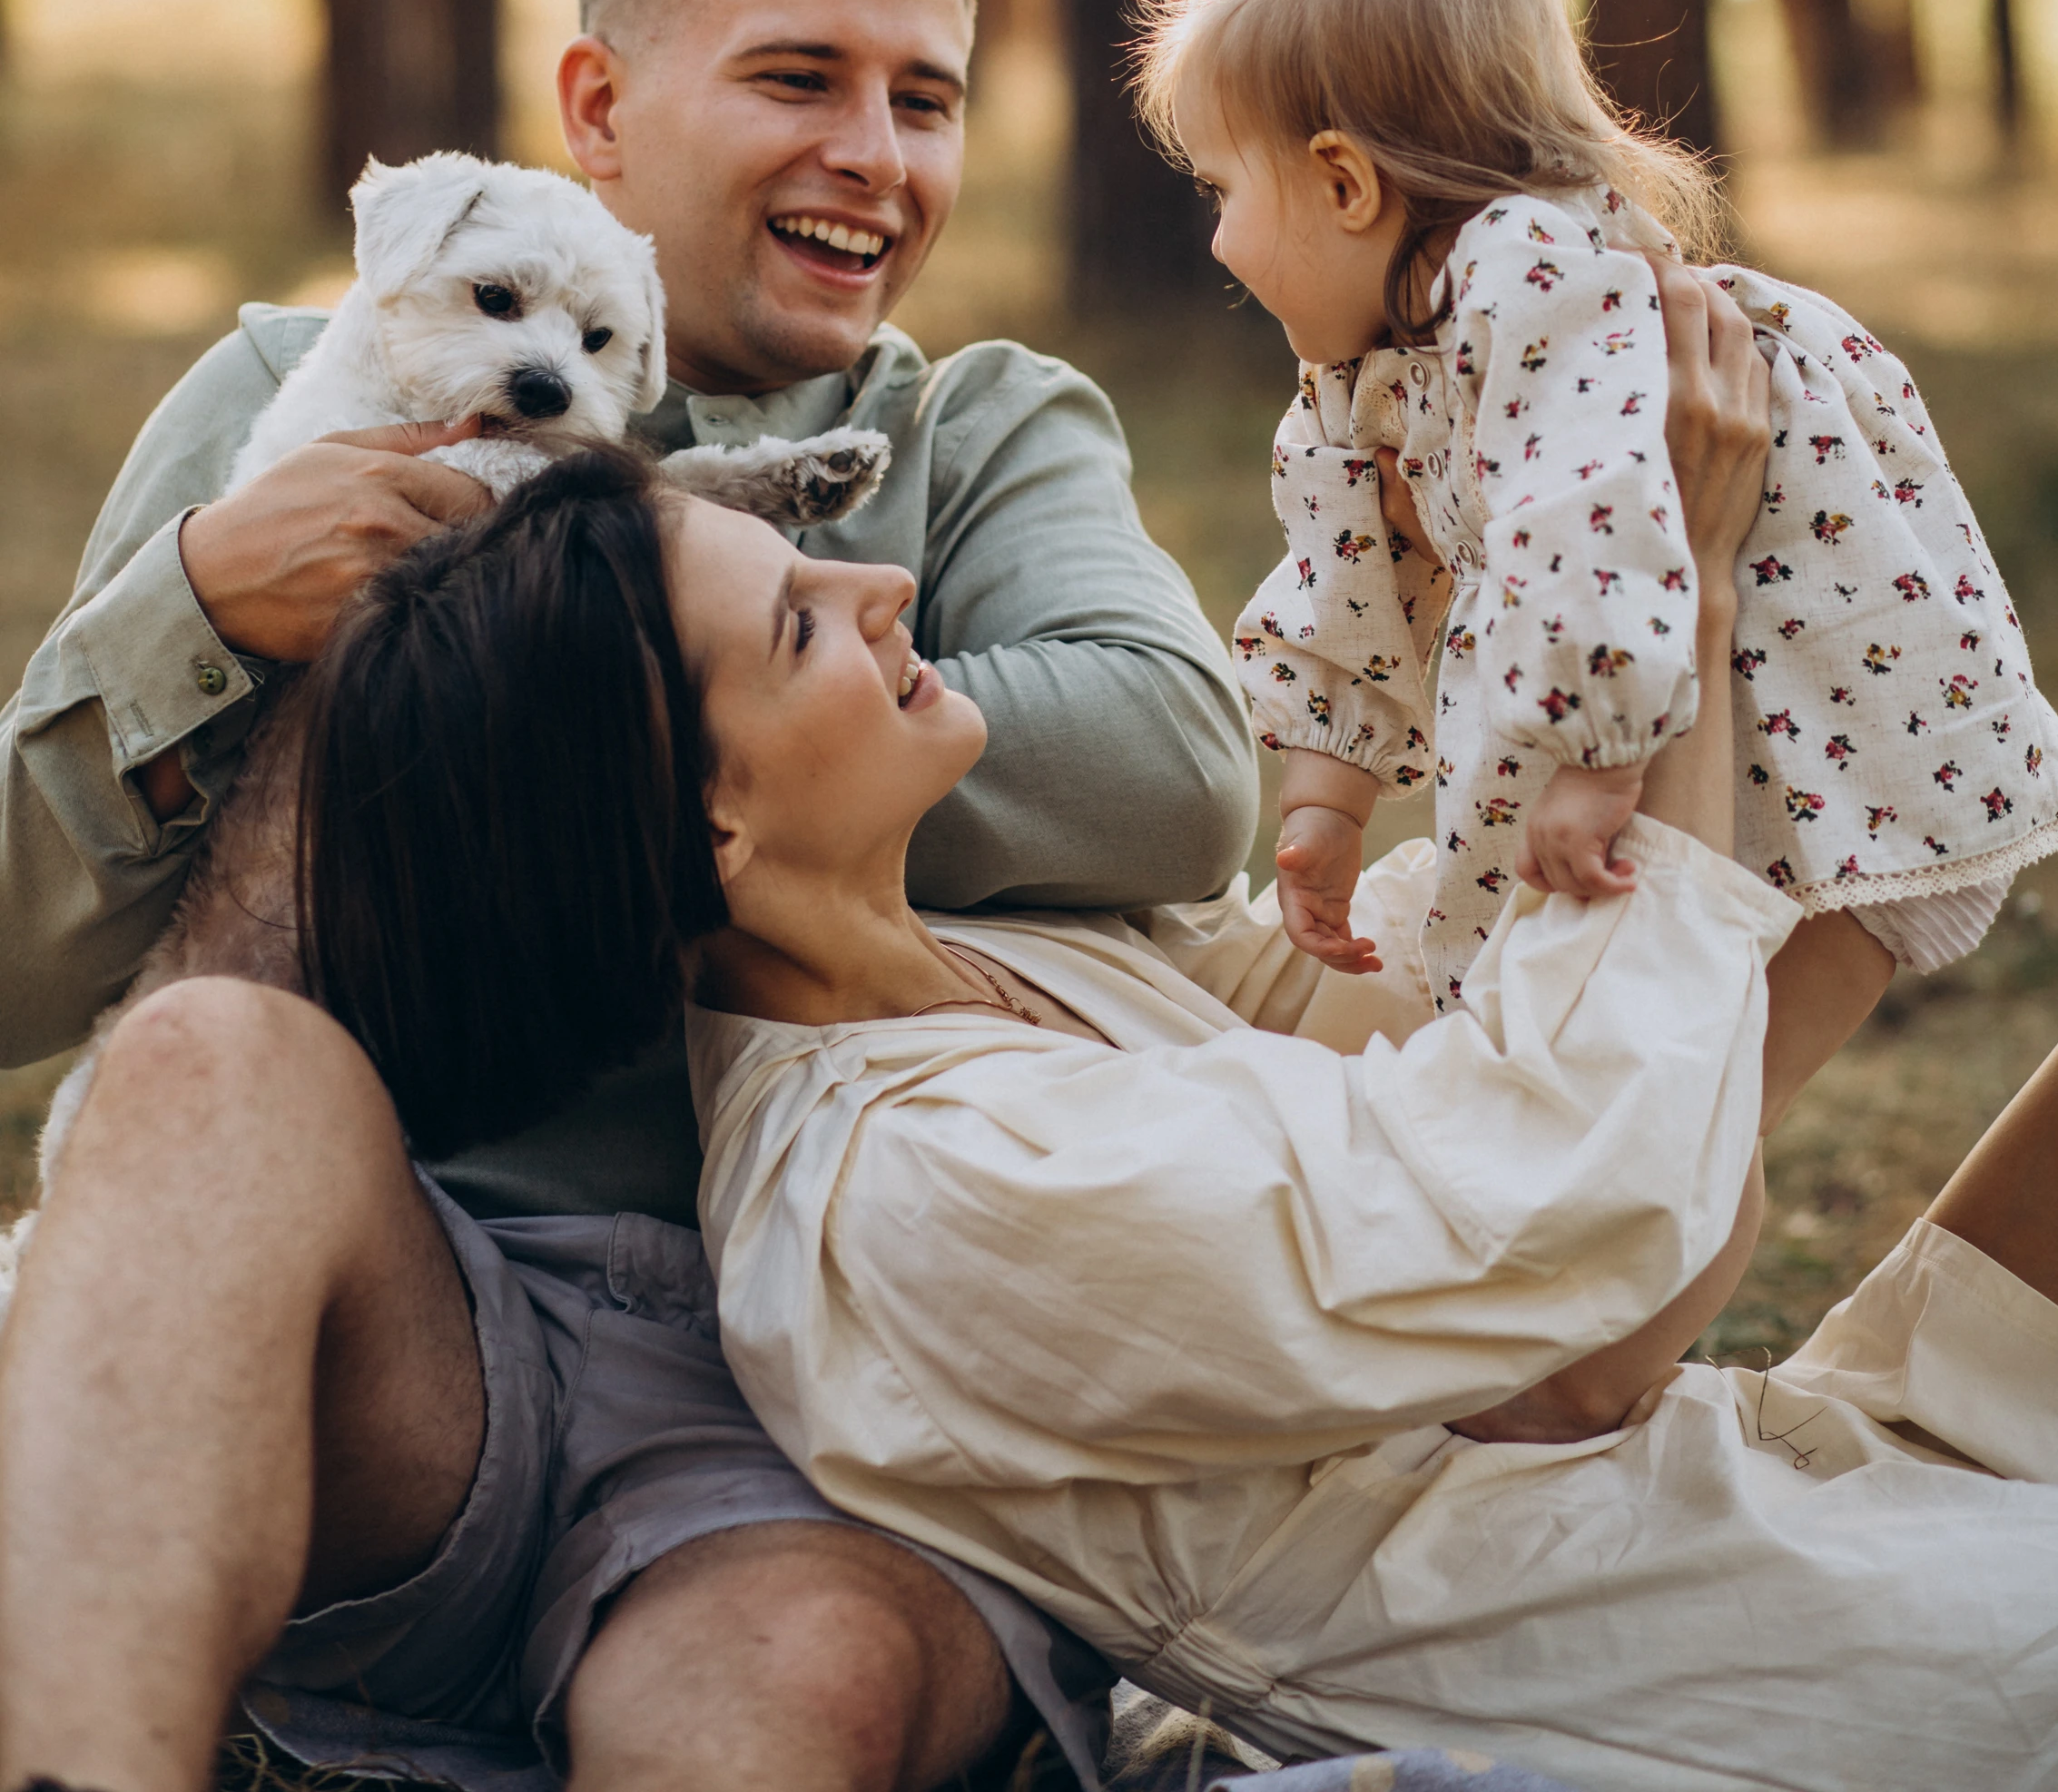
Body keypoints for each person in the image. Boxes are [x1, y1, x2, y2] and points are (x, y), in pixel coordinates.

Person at [277, 277, 2058, 1792]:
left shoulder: (1003, 958)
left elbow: (1472, 999)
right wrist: (1676, 605)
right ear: (711, 821)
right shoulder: (913, 1196)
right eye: (797, 625)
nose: (884, 594)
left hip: (1778, 1463)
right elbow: (1566, 1271)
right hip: (1746, 1659)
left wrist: (1540, 563)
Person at [0, 0, 1257, 1792]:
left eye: (922, 97)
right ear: (598, 103)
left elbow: (1170, 766)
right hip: (392, 1317)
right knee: (200, 1069)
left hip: (815, 1400)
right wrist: (201, 613)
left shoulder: (977, 430)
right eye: (798, 77)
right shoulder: (290, 397)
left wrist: (585, 675)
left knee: (791, 1683)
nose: (875, 154)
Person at [1131, 0, 2056, 1028]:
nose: (1215, 242)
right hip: (1665, 748)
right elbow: (1346, 568)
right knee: (1618, 1049)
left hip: (1837, 754)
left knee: (1707, 1097)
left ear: (1343, 184)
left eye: (1220, 188)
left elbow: (1599, 512)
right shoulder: (1373, 366)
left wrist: (1598, 762)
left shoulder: (1534, 283)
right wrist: (1324, 799)